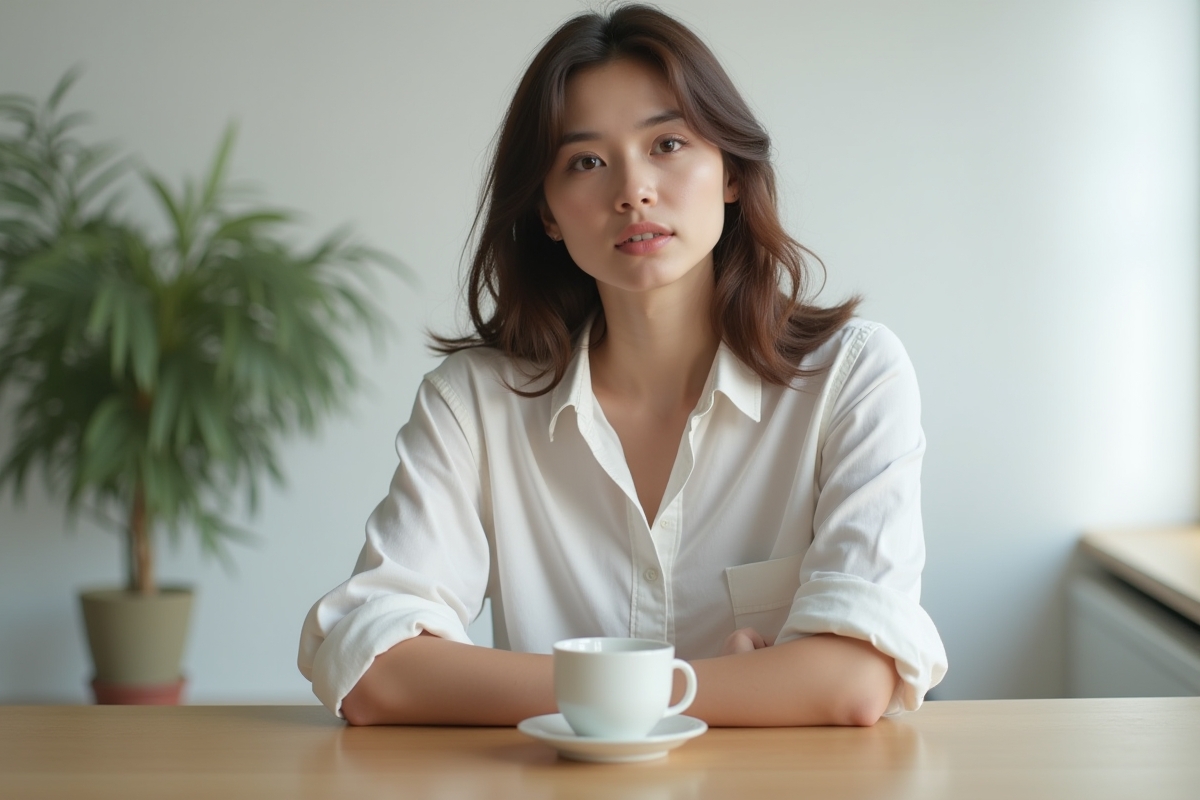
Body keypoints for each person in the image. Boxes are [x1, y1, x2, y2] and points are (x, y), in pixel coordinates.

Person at [298, 3, 947, 727]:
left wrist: (570, 695)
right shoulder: (474, 403)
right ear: (547, 211)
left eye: (668, 143)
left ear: (731, 171)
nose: (632, 190)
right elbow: (372, 671)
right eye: (586, 161)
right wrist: (732, 687)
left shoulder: (851, 379)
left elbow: (852, 681)